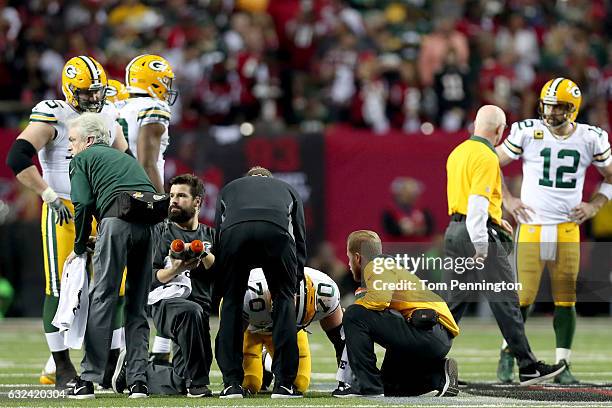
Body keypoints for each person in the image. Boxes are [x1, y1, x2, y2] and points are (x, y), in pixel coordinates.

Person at [5, 55, 130, 389]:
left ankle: (109, 365)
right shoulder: (54, 113)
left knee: (114, 286)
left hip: (104, 208)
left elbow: (124, 158)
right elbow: (16, 156)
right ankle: (61, 367)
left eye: (96, 91)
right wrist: (47, 194)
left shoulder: (107, 112)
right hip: (65, 208)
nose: (93, 98)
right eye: (86, 92)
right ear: (69, 89)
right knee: (60, 289)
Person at [495, 78, 612, 384]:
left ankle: (563, 364)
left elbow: (610, 175)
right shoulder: (527, 132)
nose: (551, 112)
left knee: (566, 298)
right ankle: (509, 354)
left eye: (558, 106)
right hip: (532, 225)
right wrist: (508, 199)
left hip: (567, 227)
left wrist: (595, 205)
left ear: (572, 109)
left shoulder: (591, 138)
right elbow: (490, 164)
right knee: (524, 297)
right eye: (548, 105)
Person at [444, 104, 566, 385]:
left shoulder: (458, 152)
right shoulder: (487, 156)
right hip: (477, 234)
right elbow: (476, 205)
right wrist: (483, 245)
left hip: (454, 231)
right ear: (499, 131)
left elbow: (465, 203)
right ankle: (528, 366)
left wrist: (495, 220)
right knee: (506, 302)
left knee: (452, 307)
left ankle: (424, 363)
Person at [64, 112, 157, 399]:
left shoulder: (82, 159)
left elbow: (82, 205)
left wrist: (79, 248)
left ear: (89, 140)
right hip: (150, 223)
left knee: (103, 298)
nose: (70, 147)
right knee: (138, 304)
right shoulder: (125, 158)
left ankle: (89, 379)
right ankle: (139, 381)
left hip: (116, 222)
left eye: (72, 140)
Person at [112, 174, 216, 397]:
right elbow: (145, 277)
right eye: (171, 196)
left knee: (182, 378)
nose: (173, 201)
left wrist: (204, 255)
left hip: (200, 309)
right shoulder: (160, 231)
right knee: (196, 375)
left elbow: (222, 274)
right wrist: (175, 269)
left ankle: (134, 370)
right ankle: (197, 387)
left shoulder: (210, 235)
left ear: (197, 202)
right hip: (167, 303)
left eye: (181, 196)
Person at [214, 166, 306, 399]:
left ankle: (231, 383)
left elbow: (219, 232)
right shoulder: (286, 188)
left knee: (232, 303)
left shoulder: (230, 188)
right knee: (284, 301)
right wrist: (295, 281)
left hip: (235, 234)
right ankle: (284, 385)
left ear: (249, 179)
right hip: (275, 233)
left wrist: (220, 288)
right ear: (268, 180)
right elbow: (299, 235)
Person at [334, 230, 460, 398]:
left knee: (354, 314)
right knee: (390, 386)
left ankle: (367, 386)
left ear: (357, 257)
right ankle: (437, 376)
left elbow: (379, 300)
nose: (349, 264)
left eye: (349, 258)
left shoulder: (377, 265)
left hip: (429, 329)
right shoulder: (386, 267)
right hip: (432, 334)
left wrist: (352, 310)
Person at [119, 55, 177, 363]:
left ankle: (119, 352)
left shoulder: (119, 106)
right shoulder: (153, 108)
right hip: (141, 201)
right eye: (165, 81)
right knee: (168, 278)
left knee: (118, 285)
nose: (167, 88)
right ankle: (156, 356)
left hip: (114, 201)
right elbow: (147, 161)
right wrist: (160, 202)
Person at [241, 267, 344, 395]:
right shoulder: (250, 293)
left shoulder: (326, 294)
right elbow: (229, 335)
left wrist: (347, 380)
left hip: (292, 332)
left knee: (299, 383)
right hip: (252, 330)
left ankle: (267, 360)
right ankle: (265, 360)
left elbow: (340, 340)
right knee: (250, 383)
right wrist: (232, 379)